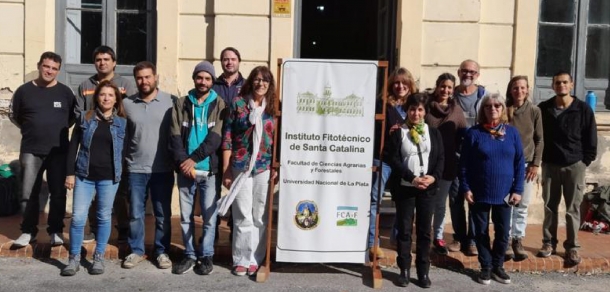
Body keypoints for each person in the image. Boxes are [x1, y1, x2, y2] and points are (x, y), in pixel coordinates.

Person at [10, 51, 76, 248]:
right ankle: (28, 231)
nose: (49, 71)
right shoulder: (23, 91)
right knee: (28, 192)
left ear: (58, 70)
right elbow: (15, 116)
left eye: (54, 68)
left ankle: (55, 230)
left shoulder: (65, 93)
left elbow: (71, 119)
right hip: (31, 149)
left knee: (57, 192)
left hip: (58, 152)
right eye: (46, 66)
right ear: (39, 65)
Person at [61, 81, 127, 276]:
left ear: (116, 99)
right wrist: (70, 173)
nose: (106, 98)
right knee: (78, 218)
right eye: (102, 94)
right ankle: (73, 258)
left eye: (110, 95)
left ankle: (98, 257)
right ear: (96, 97)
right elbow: (73, 147)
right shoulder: (85, 118)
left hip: (109, 178)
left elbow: (125, 152)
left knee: (103, 216)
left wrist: (122, 174)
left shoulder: (122, 122)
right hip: (84, 176)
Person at [459, 93, 525, 285]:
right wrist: (466, 187)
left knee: (503, 232)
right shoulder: (474, 133)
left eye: (497, 105)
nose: (493, 109)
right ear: (483, 110)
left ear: (503, 109)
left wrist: (518, 189)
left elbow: (520, 163)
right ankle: (485, 267)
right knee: (480, 232)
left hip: (505, 193)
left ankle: (498, 266)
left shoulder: (511, 133)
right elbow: (464, 165)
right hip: (479, 192)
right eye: (488, 106)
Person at [169, 61, 227, 275]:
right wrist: (185, 162)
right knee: (185, 217)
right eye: (199, 77)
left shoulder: (219, 104)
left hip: (209, 171)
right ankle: (190, 255)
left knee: (210, 218)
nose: (203, 82)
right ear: (194, 78)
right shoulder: (182, 103)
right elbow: (174, 135)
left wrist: (193, 159)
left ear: (212, 81)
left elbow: (216, 138)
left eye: (207, 78)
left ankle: (206, 256)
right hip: (185, 171)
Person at [76, 45, 136, 243]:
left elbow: (131, 114)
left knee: (119, 192)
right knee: (93, 195)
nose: (102, 63)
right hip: (93, 148)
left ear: (114, 62)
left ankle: (124, 227)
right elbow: (80, 115)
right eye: (98, 60)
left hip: (117, 146)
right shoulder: (86, 85)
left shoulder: (126, 84)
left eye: (106, 59)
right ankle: (93, 229)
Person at [536, 71, 597, 266]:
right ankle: (548, 243)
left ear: (571, 85)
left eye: (565, 82)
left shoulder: (583, 109)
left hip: (574, 166)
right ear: (553, 86)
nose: (561, 85)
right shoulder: (544, 108)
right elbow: (537, 137)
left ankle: (572, 248)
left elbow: (591, 138)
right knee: (549, 207)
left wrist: (584, 162)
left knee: (572, 209)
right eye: (557, 83)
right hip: (550, 166)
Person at [222, 66, 277, 277]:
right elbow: (227, 137)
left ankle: (255, 258)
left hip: (264, 167)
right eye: (257, 79)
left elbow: (279, 140)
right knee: (242, 214)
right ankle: (241, 259)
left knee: (260, 215)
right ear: (250, 82)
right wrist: (227, 170)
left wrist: (276, 167)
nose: (261, 84)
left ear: (270, 84)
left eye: (265, 80)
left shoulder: (274, 107)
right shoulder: (238, 104)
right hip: (240, 166)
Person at [385, 93, 444, 288]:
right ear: (407, 111)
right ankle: (404, 270)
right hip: (406, 188)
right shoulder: (398, 132)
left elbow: (441, 158)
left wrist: (433, 177)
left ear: (425, 112)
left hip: (427, 189)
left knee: (425, 231)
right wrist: (412, 178)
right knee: (404, 230)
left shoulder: (433, 132)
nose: (416, 113)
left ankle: (423, 271)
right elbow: (392, 159)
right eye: (412, 109)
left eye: (419, 109)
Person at [121, 61, 176, 270]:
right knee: (135, 213)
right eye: (140, 78)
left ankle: (162, 251)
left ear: (156, 78)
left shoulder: (171, 102)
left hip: (163, 168)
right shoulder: (127, 104)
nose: (144, 81)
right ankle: (136, 250)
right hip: (135, 168)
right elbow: (123, 136)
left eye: (147, 77)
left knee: (162, 215)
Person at [368, 67, 416, 259]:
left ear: (410, 84)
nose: (400, 86)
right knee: (375, 200)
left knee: (403, 201)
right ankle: (373, 242)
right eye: (396, 82)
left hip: (406, 160)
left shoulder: (415, 105)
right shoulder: (381, 104)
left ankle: (398, 237)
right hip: (384, 158)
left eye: (404, 82)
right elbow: (372, 131)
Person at [447, 59, 488, 255]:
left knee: (474, 198)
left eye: (472, 71)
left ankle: (472, 239)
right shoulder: (450, 96)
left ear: (477, 75)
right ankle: (459, 237)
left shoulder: (484, 96)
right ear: (458, 72)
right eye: (464, 71)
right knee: (455, 198)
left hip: (478, 157)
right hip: (455, 155)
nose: (468, 74)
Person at [425, 73, 467, 255]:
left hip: (448, 163)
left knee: (440, 204)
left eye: (449, 87)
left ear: (453, 90)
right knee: (426, 201)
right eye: (443, 86)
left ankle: (438, 237)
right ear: (437, 86)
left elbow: (462, 135)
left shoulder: (456, 110)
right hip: (426, 163)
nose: (445, 90)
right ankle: (424, 234)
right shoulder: (426, 107)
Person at [504, 76, 544, 261]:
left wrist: (536, 163)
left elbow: (539, 139)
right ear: (510, 90)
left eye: (522, 88)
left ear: (527, 90)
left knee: (522, 204)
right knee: (506, 204)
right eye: (515, 88)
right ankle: (504, 239)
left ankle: (517, 240)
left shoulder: (535, 111)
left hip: (527, 166)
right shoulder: (505, 110)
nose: (518, 91)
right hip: (506, 164)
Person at [212, 47, 245, 243]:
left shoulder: (248, 85)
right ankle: (212, 230)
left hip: (239, 145)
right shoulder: (213, 85)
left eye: (233, 59)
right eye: (225, 59)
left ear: (239, 61)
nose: (229, 62)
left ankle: (235, 231)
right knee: (213, 190)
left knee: (238, 190)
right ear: (221, 62)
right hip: (215, 143)